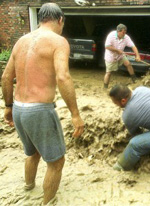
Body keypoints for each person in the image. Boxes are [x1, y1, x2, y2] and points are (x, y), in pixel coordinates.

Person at [1, 3, 85, 205]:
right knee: (56, 162)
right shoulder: (58, 41)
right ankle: (48, 202)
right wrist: (75, 114)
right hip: (39, 110)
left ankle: (29, 187)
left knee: (32, 153)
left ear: (40, 19)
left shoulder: (21, 41)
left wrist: (9, 106)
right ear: (60, 20)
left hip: (20, 108)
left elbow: (5, 77)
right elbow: (63, 77)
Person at [103, 24, 141, 89]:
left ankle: (134, 79)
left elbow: (133, 46)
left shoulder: (126, 37)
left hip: (121, 55)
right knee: (109, 73)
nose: (124, 34)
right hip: (111, 57)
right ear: (118, 31)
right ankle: (105, 87)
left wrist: (137, 56)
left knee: (128, 64)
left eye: (125, 32)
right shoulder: (111, 35)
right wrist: (117, 50)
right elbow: (107, 46)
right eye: (123, 32)